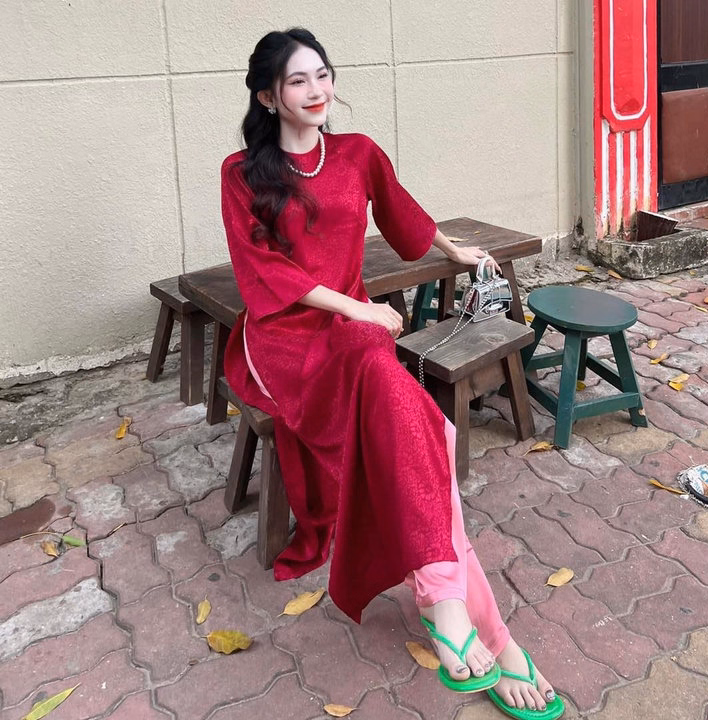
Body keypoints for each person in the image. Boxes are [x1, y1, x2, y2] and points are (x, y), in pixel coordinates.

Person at [221, 27, 564, 718]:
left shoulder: (357, 153)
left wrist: (453, 249)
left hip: (355, 335)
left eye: (323, 74)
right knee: (423, 427)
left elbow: (402, 213)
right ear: (268, 96)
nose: (317, 90)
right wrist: (359, 308)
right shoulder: (242, 173)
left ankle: (451, 610)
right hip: (286, 342)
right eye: (298, 80)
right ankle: (484, 633)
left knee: (426, 432)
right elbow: (265, 275)